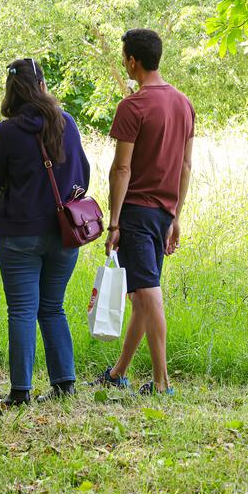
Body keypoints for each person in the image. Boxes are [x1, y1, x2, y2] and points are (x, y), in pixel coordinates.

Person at [91, 29, 194, 396]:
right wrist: (176, 216)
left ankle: (162, 381)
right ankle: (119, 372)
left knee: (148, 294)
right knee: (139, 294)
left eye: (124, 57)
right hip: (165, 213)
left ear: (133, 61)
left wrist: (114, 221)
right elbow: (185, 167)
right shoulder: (183, 103)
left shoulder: (132, 106)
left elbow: (122, 169)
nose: (123, 62)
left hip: (136, 213)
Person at [0, 58, 91, 407]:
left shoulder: (7, 131)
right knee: (53, 307)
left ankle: (20, 392)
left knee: (21, 311)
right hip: (65, 233)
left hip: (19, 233)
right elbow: (83, 175)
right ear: (42, 86)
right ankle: (64, 383)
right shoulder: (68, 124)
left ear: (11, 91)